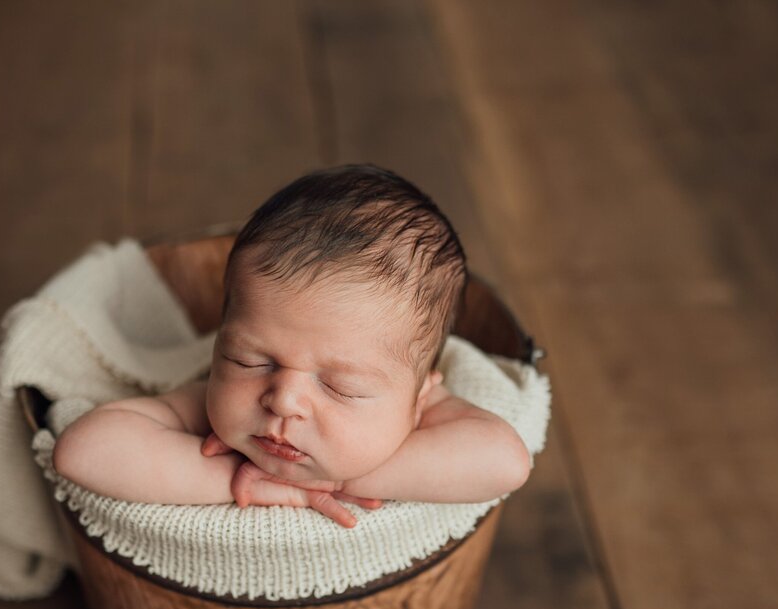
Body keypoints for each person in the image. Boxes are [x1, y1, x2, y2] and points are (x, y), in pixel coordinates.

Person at [52, 164, 531, 528]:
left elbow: (506, 461)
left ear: (418, 398)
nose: (282, 399)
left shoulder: (423, 414)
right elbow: (82, 452)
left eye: (342, 387)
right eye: (251, 360)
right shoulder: (212, 406)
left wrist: (339, 479)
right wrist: (235, 479)